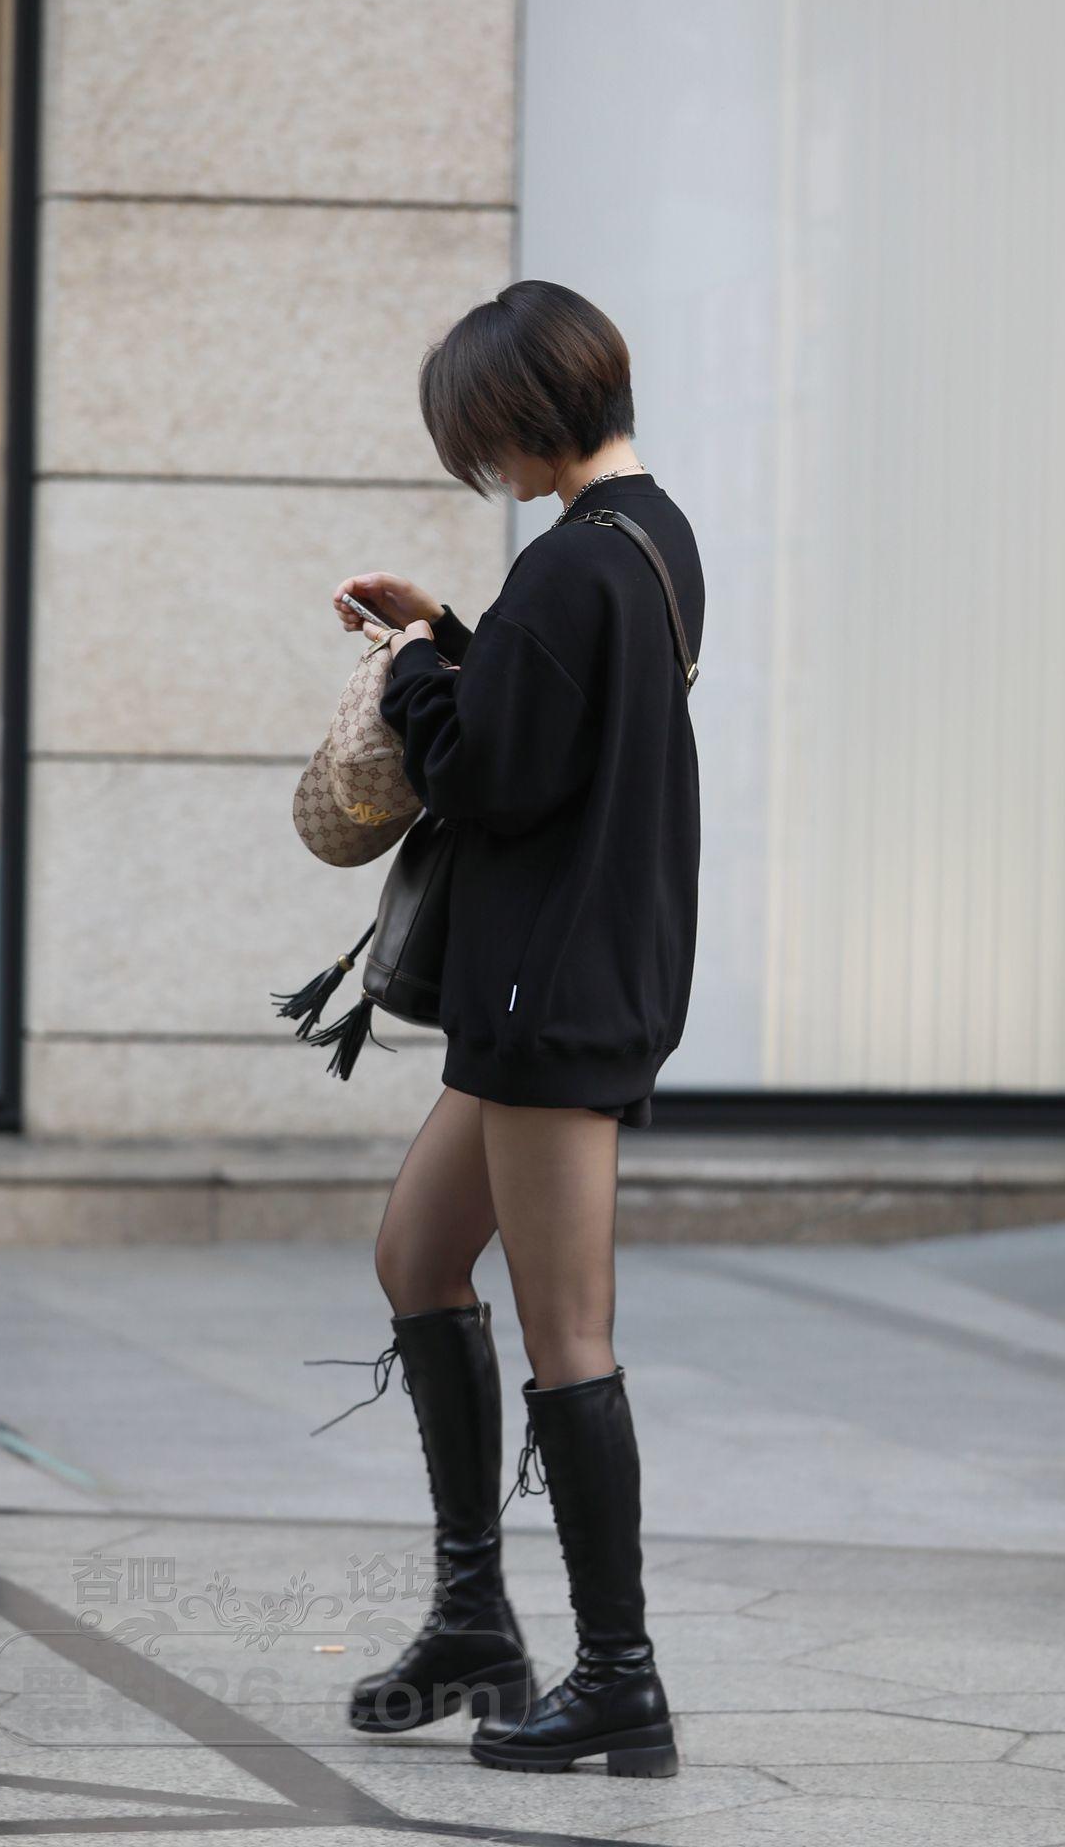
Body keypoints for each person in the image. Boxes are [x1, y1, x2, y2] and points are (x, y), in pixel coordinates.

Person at [325, 280, 704, 1778]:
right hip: (556, 985)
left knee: (569, 1333)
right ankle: (476, 1622)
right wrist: (451, 632)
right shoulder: (649, 539)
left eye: (480, 438)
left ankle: (621, 1678)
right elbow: (561, 723)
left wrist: (418, 672)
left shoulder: (574, 566)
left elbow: (487, 776)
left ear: (525, 415)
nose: (483, 466)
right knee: (417, 1258)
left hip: (554, 999)